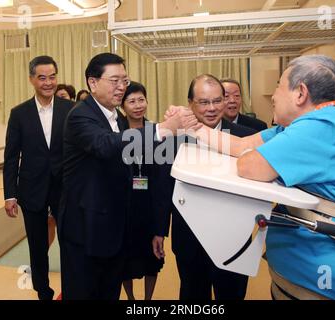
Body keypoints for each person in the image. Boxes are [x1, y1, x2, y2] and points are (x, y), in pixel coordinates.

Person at [183, 55, 335, 299]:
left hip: (330, 287)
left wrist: (255, 155)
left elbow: (249, 165)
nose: (273, 95)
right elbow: (242, 145)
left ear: (300, 93)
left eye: (279, 85)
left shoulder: (321, 127)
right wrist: (192, 126)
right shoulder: (305, 124)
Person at [58, 52, 199, 300]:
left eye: (125, 80)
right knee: (84, 292)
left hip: (113, 228)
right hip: (86, 228)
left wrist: (172, 127)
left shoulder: (118, 119)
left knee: (109, 291)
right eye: (115, 81)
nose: (122, 86)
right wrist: (163, 129)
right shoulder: (81, 115)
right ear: (93, 82)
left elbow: (136, 159)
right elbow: (105, 145)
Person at [153, 74, 256, 300]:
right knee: (192, 294)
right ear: (190, 103)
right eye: (204, 102)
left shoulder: (246, 138)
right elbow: (163, 187)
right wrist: (159, 230)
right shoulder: (172, 139)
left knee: (232, 294)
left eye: (217, 100)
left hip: (233, 237)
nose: (212, 108)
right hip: (189, 236)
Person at [3, 55, 74, 300]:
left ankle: (72, 289)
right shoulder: (19, 113)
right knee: (37, 245)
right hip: (31, 189)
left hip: (65, 189)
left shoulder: (70, 109)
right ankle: (43, 291)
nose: (48, 82)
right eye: (42, 77)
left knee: (70, 242)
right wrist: (10, 194)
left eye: (52, 76)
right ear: (32, 79)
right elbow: (11, 157)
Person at [119, 81, 164, 300]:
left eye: (141, 100)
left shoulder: (157, 132)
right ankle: (131, 299)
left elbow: (161, 179)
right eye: (131, 101)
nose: (137, 105)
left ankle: (147, 301)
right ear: (122, 105)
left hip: (148, 205)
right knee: (123, 260)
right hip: (123, 206)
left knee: (151, 260)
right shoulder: (115, 132)